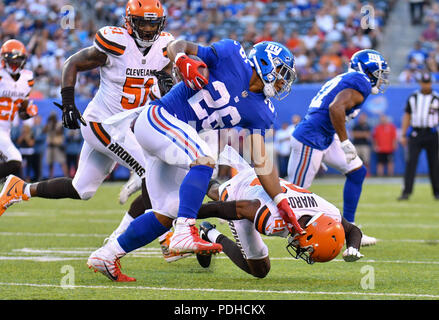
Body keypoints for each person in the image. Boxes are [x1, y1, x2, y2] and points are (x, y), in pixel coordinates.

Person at [86, 39, 301, 281]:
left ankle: (107, 255)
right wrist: (181, 59)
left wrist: (280, 200)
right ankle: (185, 230)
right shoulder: (231, 55)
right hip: (159, 118)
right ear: (265, 62)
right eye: (282, 72)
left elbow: (262, 161)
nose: (284, 82)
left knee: (164, 213)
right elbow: (179, 45)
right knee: (205, 160)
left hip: (172, 139)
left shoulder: (262, 110)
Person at [0, 0, 175, 218]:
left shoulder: (165, 46)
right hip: (102, 123)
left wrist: (168, 80)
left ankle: (20, 188)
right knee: (150, 172)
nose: (148, 30)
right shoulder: (116, 43)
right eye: (143, 23)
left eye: (153, 24)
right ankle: (160, 238)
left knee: (81, 189)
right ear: (129, 22)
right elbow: (72, 63)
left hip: (123, 128)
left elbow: (167, 73)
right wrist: (68, 104)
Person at [195, 146, 364, 278]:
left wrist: (353, 248)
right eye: (309, 249)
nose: (304, 251)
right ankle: (209, 231)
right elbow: (231, 209)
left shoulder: (329, 215)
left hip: (262, 190)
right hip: (244, 193)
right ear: (311, 233)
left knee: (216, 192)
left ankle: (205, 222)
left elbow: (352, 230)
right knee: (259, 270)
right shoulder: (272, 218)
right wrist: (186, 212)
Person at [287, 49, 390, 247]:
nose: (381, 79)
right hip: (312, 139)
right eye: (378, 74)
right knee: (293, 196)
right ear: (367, 71)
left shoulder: (347, 78)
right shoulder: (360, 80)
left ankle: (349, 229)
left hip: (325, 135)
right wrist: (344, 141)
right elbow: (336, 108)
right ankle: (242, 208)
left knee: (357, 172)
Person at [0, 39, 38, 184]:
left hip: (6, 129)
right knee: (15, 160)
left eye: (18, 60)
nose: (15, 63)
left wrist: (27, 111)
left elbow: (22, 111)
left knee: (13, 163)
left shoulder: (27, 79)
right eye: (11, 60)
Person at [398, 72, 439, 200]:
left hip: (432, 133)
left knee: (435, 164)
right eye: (424, 82)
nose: (426, 85)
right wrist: (404, 134)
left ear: (431, 83)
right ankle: (406, 192)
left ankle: (437, 192)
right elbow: (407, 116)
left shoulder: (436, 98)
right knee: (411, 163)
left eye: (428, 83)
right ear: (420, 83)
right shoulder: (413, 97)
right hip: (416, 133)